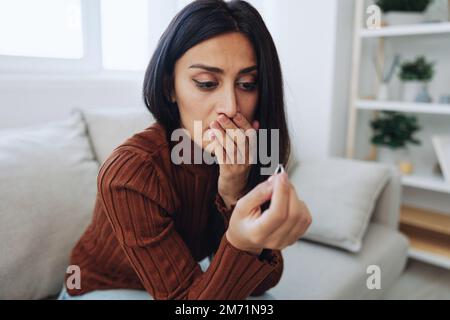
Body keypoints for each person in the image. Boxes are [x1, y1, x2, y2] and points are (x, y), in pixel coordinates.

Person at [59, 0, 311, 300]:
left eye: (246, 84)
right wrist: (240, 242)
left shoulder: (252, 151)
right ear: (169, 87)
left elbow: (262, 283)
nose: (230, 107)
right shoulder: (131, 172)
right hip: (104, 289)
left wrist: (234, 190)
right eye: (206, 83)